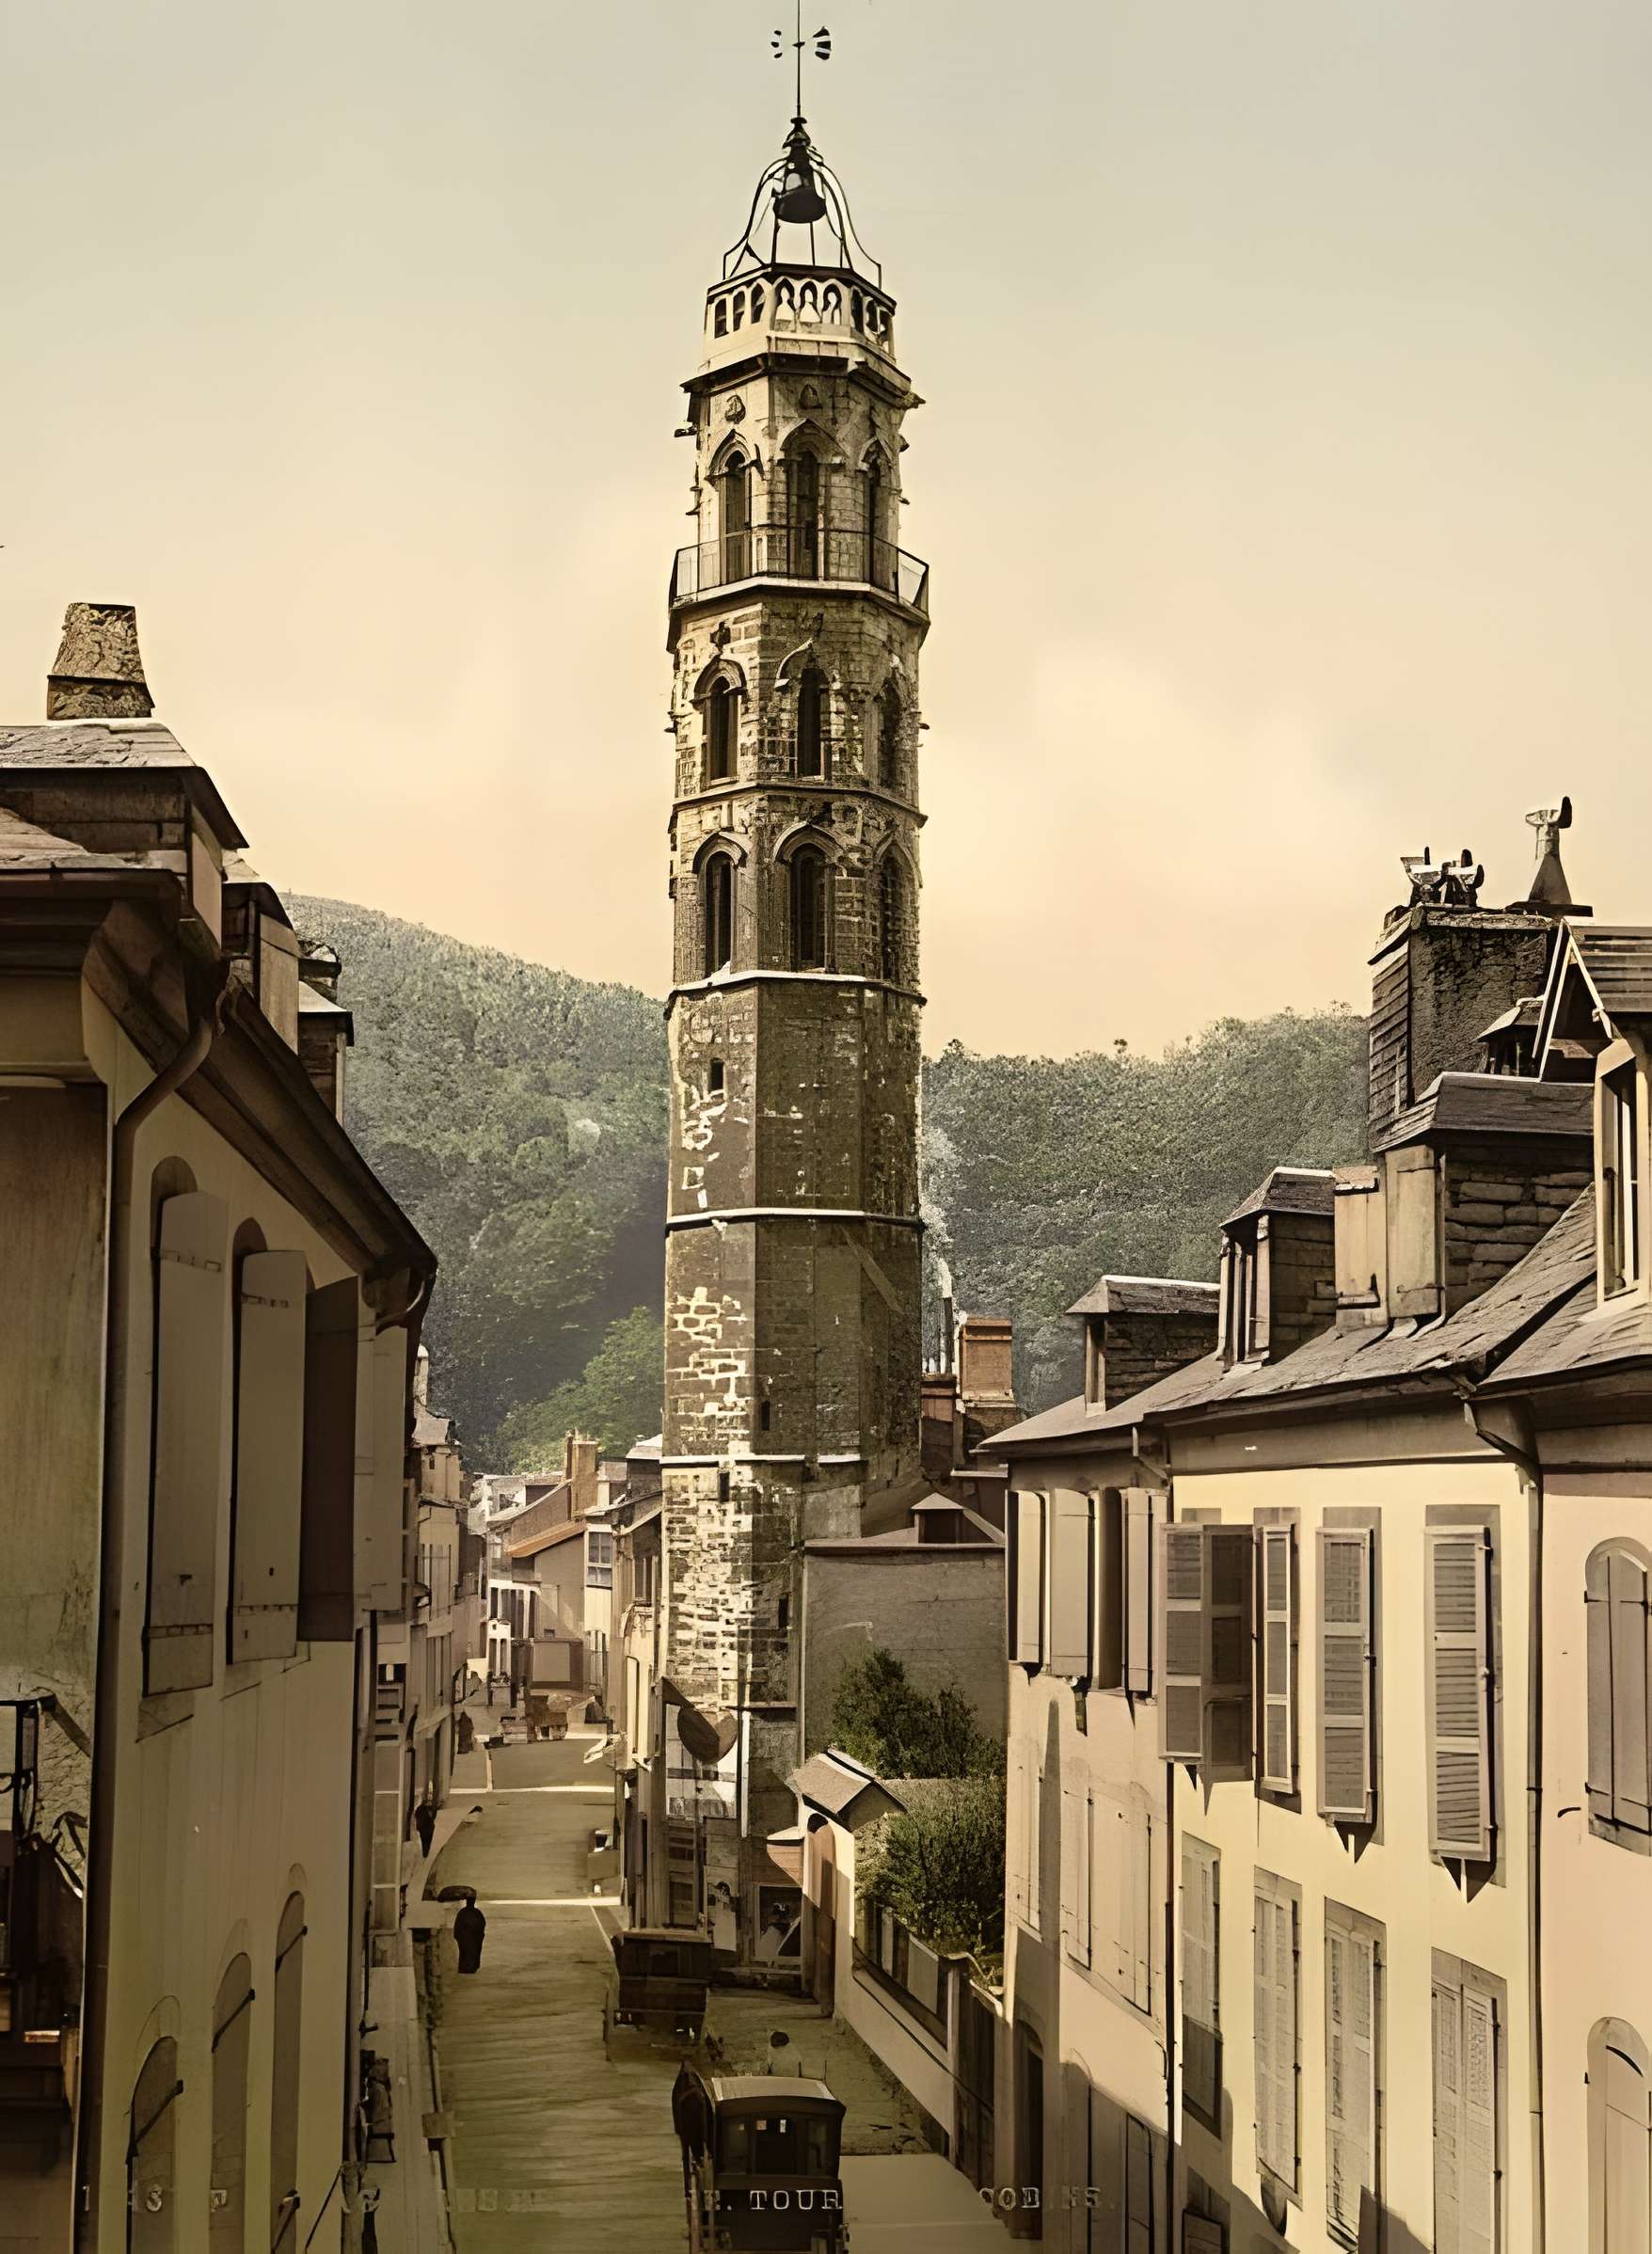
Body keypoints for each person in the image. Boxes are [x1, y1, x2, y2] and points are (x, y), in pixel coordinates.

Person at [671, 2059, 708, 2195]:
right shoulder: (688, 2087)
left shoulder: (683, 2085)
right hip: (689, 2128)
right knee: (691, 2157)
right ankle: (689, 2187)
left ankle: (690, 2187)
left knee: (690, 2157)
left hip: (689, 2127)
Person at [453, 1897, 486, 1974]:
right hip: (474, 1938)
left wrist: (457, 1936)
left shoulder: (462, 1912)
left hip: (465, 1938)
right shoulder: (477, 1912)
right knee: (473, 1953)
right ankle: (472, 1968)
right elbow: (482, 1924)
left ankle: (465, 1968)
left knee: (465, 1953)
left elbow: (457, 1926)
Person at [413, 1795, 436, 1859]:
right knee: (426, 1842)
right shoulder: (424, 1810)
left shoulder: (420, 1809)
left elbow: (417, 1817)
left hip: (424, 1829)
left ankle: (425, 1855)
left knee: (425, 1842)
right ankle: (425, 1855)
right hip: (427, 1829)